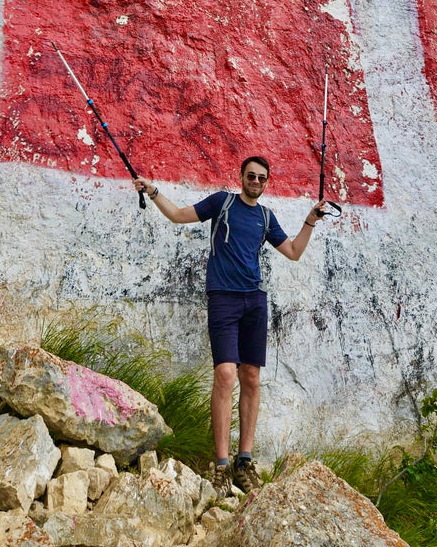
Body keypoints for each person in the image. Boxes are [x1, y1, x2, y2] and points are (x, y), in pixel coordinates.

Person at [134, 156, 326, 496]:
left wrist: (310, 220)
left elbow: (294, 251)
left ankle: (244, 462)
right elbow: (178, 215)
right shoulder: (222, 203)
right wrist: (153, 191)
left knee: (250, 376)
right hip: (223, 298)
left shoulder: (266, 217)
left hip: (255, 301)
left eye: (262, 178)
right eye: (251, 175)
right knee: (225, 374)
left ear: (267, 182)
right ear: (241, 177)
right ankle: (221, 464)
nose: (256, 181)